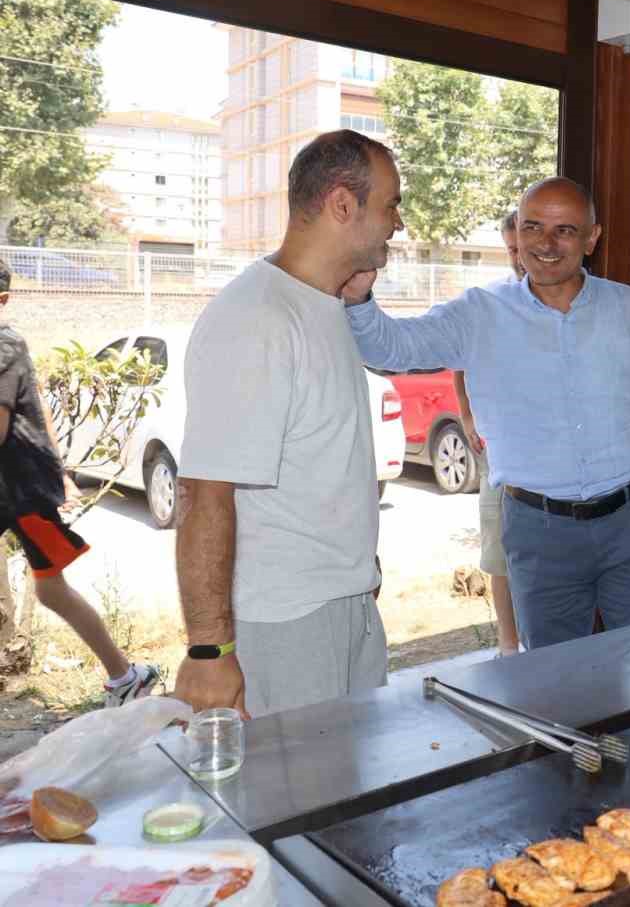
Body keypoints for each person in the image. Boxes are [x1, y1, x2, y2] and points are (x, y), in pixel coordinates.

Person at [344, 177, 630, 651]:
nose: (545, 244)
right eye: (533, 227)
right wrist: (359, 298)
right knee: (553, 681)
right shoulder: (480, 313)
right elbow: (389, 347)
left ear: (592, 238)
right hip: (540, 531)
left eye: (564, 231)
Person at [173, 129, 402, 717]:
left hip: (345, 604)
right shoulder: (256, 320)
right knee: (295, 804)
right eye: (390, 204)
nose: (397, 223)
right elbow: (204, 492)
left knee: (352, 799)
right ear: (343, 205)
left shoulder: (322, 305)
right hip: (287, 623)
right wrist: (209, 649)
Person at [0, 258, 160, 707]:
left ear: (3, 301)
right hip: (23, 486)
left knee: (51, 590)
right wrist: (64, 469)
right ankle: (125, 675)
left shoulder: (5, 344)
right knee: (52, 590)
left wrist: (55, 473)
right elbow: (41, 408)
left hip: (21, 490)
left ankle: (125, 676)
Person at [452, 209, 522, 657]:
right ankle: (508, 645)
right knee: (498, 551)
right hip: (499, 455)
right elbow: (459, 364)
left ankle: (541, 647)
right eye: (512, 248)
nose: (519, 257)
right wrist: (467, 416)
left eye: (524, 247)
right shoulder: (488, 301)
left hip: (542, 460)